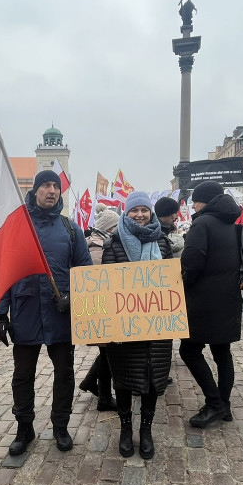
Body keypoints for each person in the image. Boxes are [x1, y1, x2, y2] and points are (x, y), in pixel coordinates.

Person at [0, 170, 93, 455]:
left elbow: (85, 271)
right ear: (35, 190)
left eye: (56, 186)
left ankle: (60, 426)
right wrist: (1, 314)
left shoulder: (70, 229)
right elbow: (3, 273)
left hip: (60, 313)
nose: (51, 191)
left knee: (64, 373)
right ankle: (24, 427)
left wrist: (73, 298)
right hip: (25, 310)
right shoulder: (17, 227)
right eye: (46, 185)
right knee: (23, 375)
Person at [101, 191, 173, 459]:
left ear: (151, 213)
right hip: (125, 326)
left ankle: (146, 430)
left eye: (144, 210)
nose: (140, 214)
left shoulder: (163, 242)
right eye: (135, 210)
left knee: (154, 380)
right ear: (126, 213)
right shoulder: (114, 243)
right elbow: (108, 285)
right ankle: (124, 428)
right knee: (123, 379)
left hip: (157, 327)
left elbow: (169, 282)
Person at [180, 181, 242, 428]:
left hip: (203, 301)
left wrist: (181, 285)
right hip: (227, 298)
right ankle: (224, 405)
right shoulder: (230, 222)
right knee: (222, 353)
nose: (193, 205)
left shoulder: (202, 223)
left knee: (189, 351)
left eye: (195, 200)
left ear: (204, 200)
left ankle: (215, 404)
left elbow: (192, 263)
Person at [78, 208, 120, 411]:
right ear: (108, 228)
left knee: (107, 353)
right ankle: (104, 398)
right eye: (115, 226)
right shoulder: (97, 249)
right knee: (107, 356)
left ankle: (90, 383)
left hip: (106, 308)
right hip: (102, 310)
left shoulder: (101, 244)